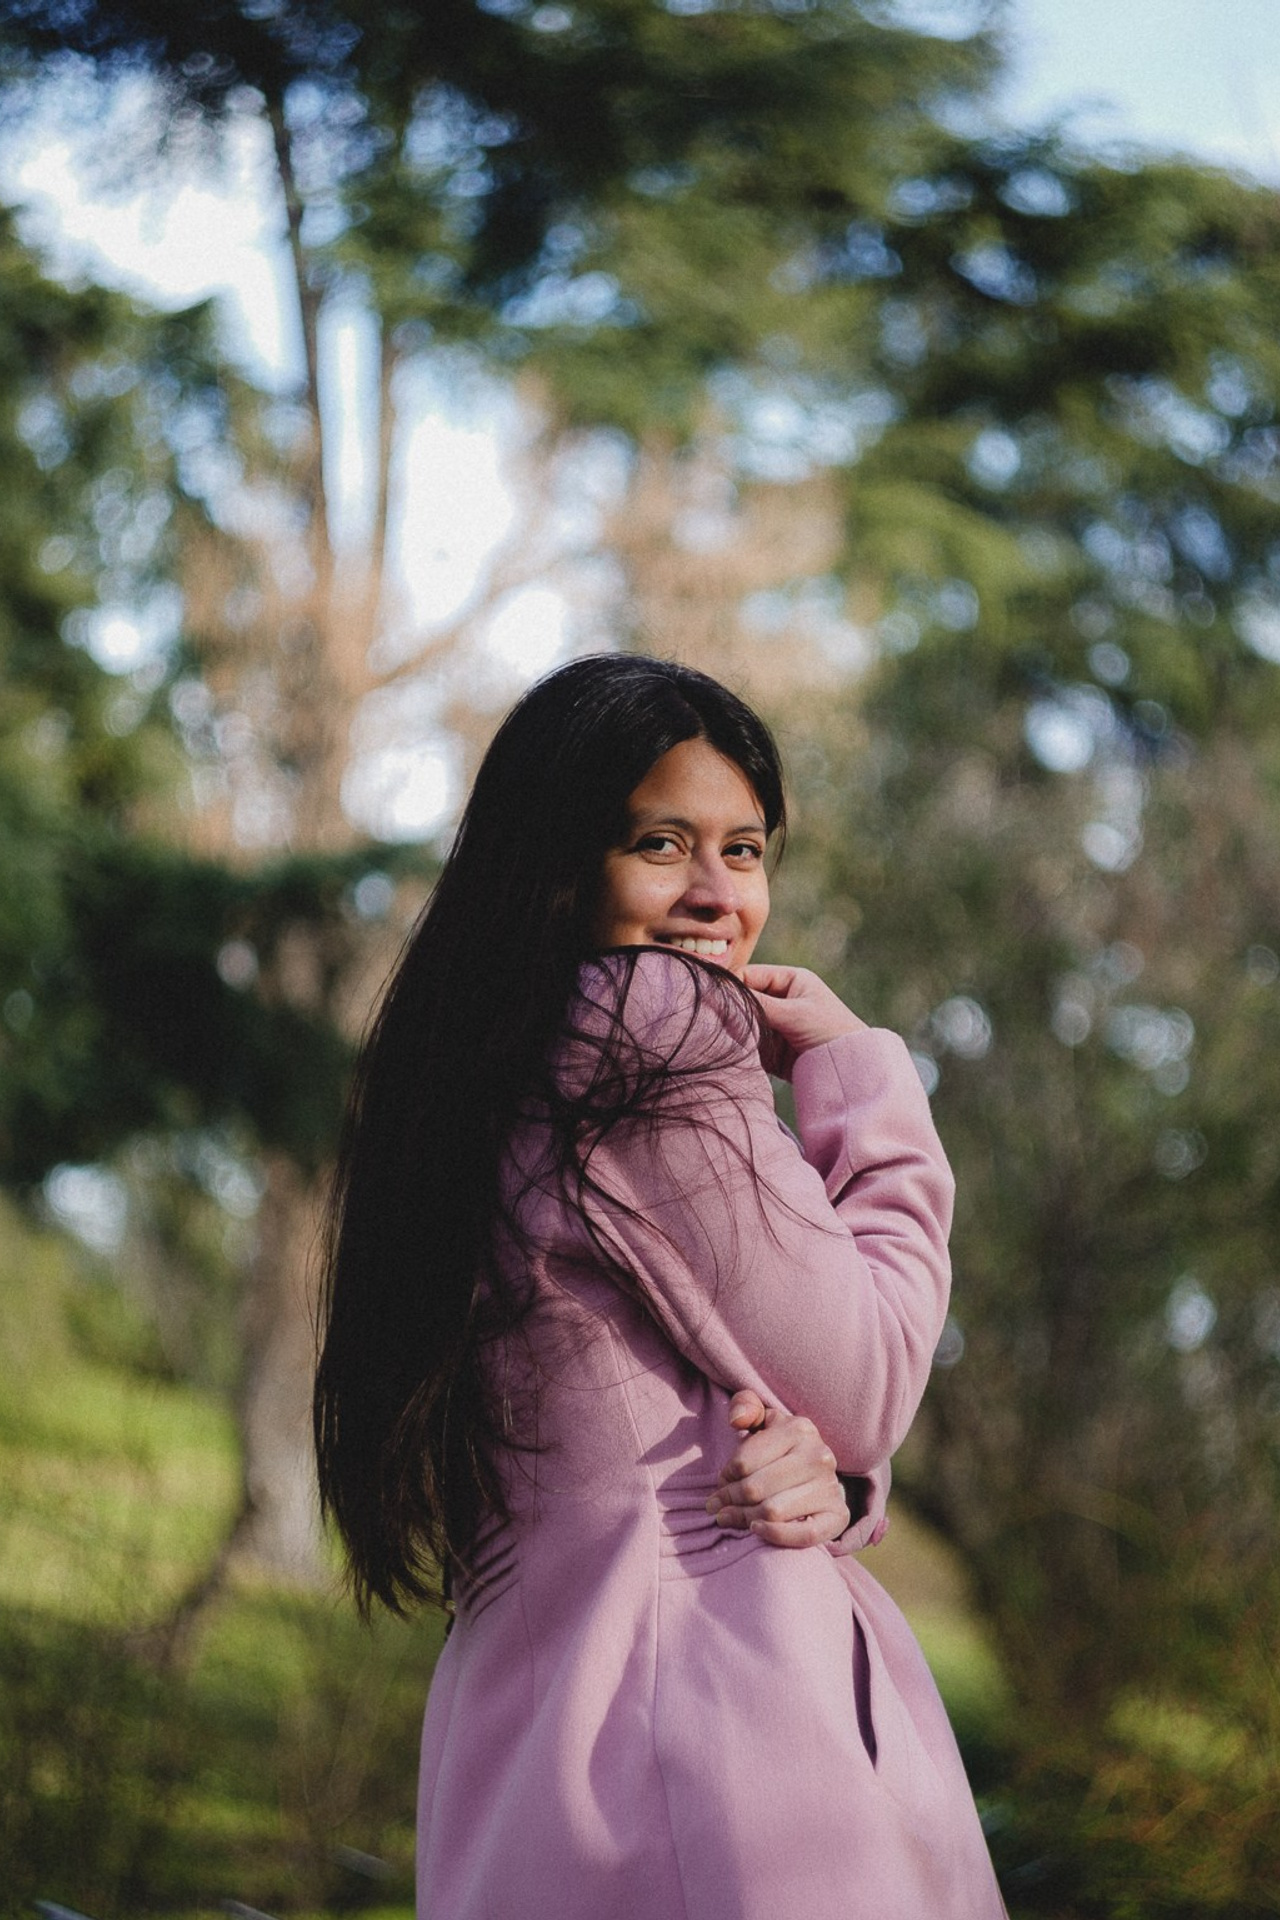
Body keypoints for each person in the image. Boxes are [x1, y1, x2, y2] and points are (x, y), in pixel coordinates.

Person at [315, 654, 1006, 1919]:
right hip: (725, 1752)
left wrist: (834, 1477)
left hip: (531, 1744)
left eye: (743, 851)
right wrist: (864, 1079)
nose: (712, 896)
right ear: (560, 861)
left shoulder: (464, 1075)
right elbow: (864, 1376)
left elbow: (666, 1400)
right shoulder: (652, 1029)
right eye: (659, 843)